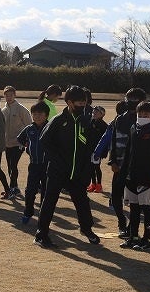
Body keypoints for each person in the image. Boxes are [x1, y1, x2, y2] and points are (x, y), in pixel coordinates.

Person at [35, 85, 101, 248]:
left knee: (82, 201)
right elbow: (44, 142)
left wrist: (86, 169)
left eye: (84, 103)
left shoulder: (86, 122)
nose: (83, 107)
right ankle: (41, 234)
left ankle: (87, 229)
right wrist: (57, 161)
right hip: (58, 171)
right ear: (70, 103)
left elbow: (90, 145)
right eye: (79, 103)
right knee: (49, 201)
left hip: (78, 172)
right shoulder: (58, 121)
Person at [94, 87, 147, 238]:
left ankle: (132, 227)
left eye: (135, 101)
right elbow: (113, 140)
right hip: (119, 166)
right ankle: (121, 222)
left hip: (136, 168)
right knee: (116, 195)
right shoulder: (120, 119)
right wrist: (112, 161)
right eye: (129, 100)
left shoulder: (144, 121)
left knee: (136, 200)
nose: (132, 104)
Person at [120, 101, 150, 250]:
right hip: (131, 176)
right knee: (133, 208)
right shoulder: (133, 128)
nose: (142, 116)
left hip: (146, 178)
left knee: (146, 208)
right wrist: (124, 173)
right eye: (140, 114)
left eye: (146, 114)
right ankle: (133, 236)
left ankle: (147, 239)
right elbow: (128, 152)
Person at [17, 103, 50, 224]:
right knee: (30, 190)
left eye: (40, 114)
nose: (37, 116)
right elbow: (20, 139)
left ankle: (44, 215)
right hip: (34, 165)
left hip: (47, 166)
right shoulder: (29, 128)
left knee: (46, 192)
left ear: (46, 115)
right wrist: (27, 147)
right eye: (34, 114)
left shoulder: (50, 127)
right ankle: (28, 212)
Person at [0, 85, 31, 200]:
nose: (9, 97)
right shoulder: (3, 110)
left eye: (11, 95)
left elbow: (29, 125)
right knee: (9, 166)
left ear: (14, 95)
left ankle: (12, 188)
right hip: (7, 143)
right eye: (7, 95)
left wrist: (26, 141)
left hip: (19, 143)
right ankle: (15, 187)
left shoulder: (21, 109)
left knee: (13, 165)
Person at [86, 105, 108, 194]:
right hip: (90, 149)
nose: (94, 113)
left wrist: (102, 152)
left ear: (102, 114)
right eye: (93, 112)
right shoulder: (90, 122)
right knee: (90, 167)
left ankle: (99, 185)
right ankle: (93, 184)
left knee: (96, 167)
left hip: (98, 150)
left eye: (96, 112)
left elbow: (105, 140)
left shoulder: (104, 125)